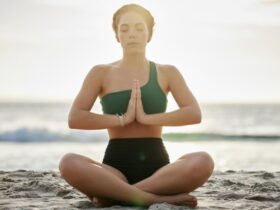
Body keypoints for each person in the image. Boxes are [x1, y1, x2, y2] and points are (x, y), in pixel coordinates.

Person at [59, 3, 214, 208]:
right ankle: (152, 198)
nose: (132, 34)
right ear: (117, 36)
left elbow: (194, 113)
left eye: (139, 28)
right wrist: (122, 119)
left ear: (149, 34)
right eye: (124, 29)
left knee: (203, 160)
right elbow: (75, 118)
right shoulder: (101, 72)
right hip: (114, 170)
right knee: (68, 162)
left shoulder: (167, 72)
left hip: (159, 171)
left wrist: (147, 118)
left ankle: (116, 195)